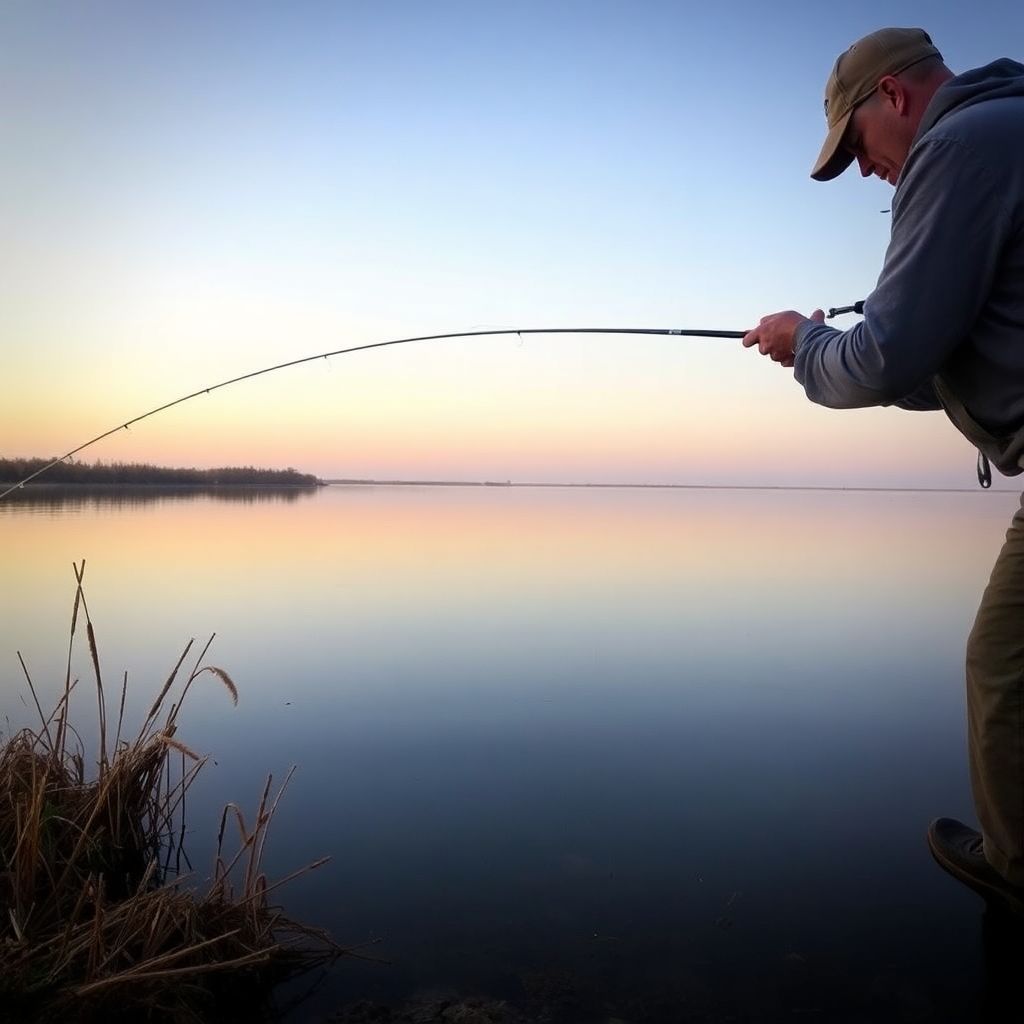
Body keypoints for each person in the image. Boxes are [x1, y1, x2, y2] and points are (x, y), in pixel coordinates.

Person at [741, 27, 1024, 915]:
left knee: (1003, 667)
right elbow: (955, 358)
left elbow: (885, 359)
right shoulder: (1008, 129)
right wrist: (838, 349)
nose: (866, 172)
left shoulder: (960, 147)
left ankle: (1019, 870)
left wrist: (805, 343)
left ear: (894, 98)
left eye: (856, 148)